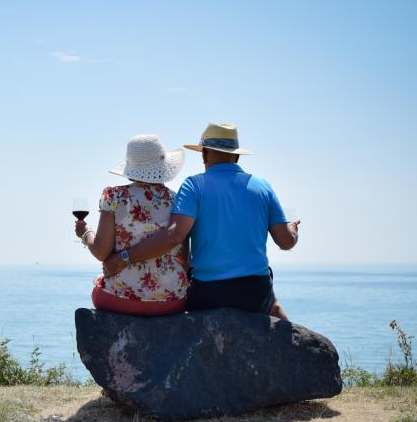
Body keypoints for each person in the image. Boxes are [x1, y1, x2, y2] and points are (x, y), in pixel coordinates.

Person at [103, 123, 299, 320]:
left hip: (209, 293)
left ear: (204, 155)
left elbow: (174, 236)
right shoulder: (263, 187)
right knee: (273, 304)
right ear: (237, 156)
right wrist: (292, 229)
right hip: (256, 293)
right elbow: (286, 242)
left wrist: (123, 258)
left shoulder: (194, 185)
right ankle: (294, 347)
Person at [75, 135, 189, 316]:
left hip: (120, 298)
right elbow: (184, 258)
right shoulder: (178, 201)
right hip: (171, 300)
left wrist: (85, 233)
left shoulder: (114, 197)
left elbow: (101, 252)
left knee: (98, 286)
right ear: (163, 167)